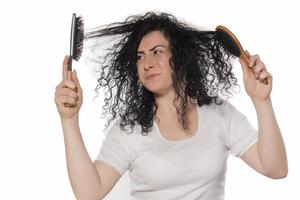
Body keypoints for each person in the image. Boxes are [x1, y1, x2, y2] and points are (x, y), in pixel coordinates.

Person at [54, 12, 288, 200]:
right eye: (140, 56)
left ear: (181, 57)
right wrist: (69, 120)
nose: (146, 63)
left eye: (157, 52)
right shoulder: (129, 130)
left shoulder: (219, 114)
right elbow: (88, 193)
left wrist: (262, 101)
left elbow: (275, 169)